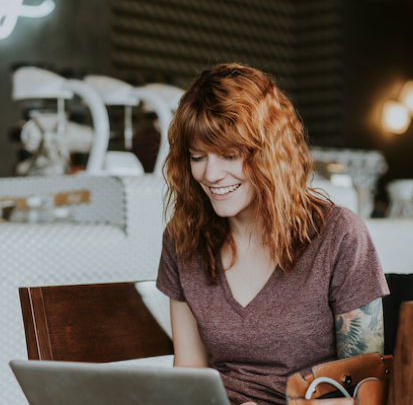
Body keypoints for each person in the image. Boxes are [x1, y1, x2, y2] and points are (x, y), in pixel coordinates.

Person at [156, 63, 389, 405]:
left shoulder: (339, 236)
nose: (210, 174)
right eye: (197, 156)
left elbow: (366, 393)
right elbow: (190, 370)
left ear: (270, 154)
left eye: (230, 155)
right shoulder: (183, 239)